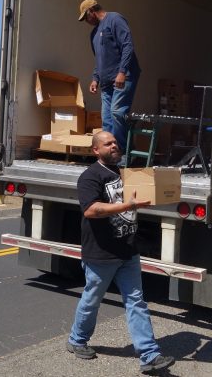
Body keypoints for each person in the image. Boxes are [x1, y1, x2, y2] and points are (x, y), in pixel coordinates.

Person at [66, 131, 174, 374]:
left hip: (127, 250)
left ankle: (149, 355)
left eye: (115, 142)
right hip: (101, 253)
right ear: (96, 150)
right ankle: (76, 340)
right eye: (108, 143)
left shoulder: (125, 174)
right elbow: (91, 210)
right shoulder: (90, 177)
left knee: (136, 301)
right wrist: (127, 206)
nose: (114, 145)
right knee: (92, 300)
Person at [78, 0, 142, 161]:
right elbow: (100, 59)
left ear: (92, 11)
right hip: (106, 83)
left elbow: (127, 45)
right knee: (107, 120)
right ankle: (110, 157)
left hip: (123, 77)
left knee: (117, 112)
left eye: (86, 17)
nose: (86, 22)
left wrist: (122, 72)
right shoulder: (94, 34)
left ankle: (124, 153)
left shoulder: (114, 19)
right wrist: (95, 78)